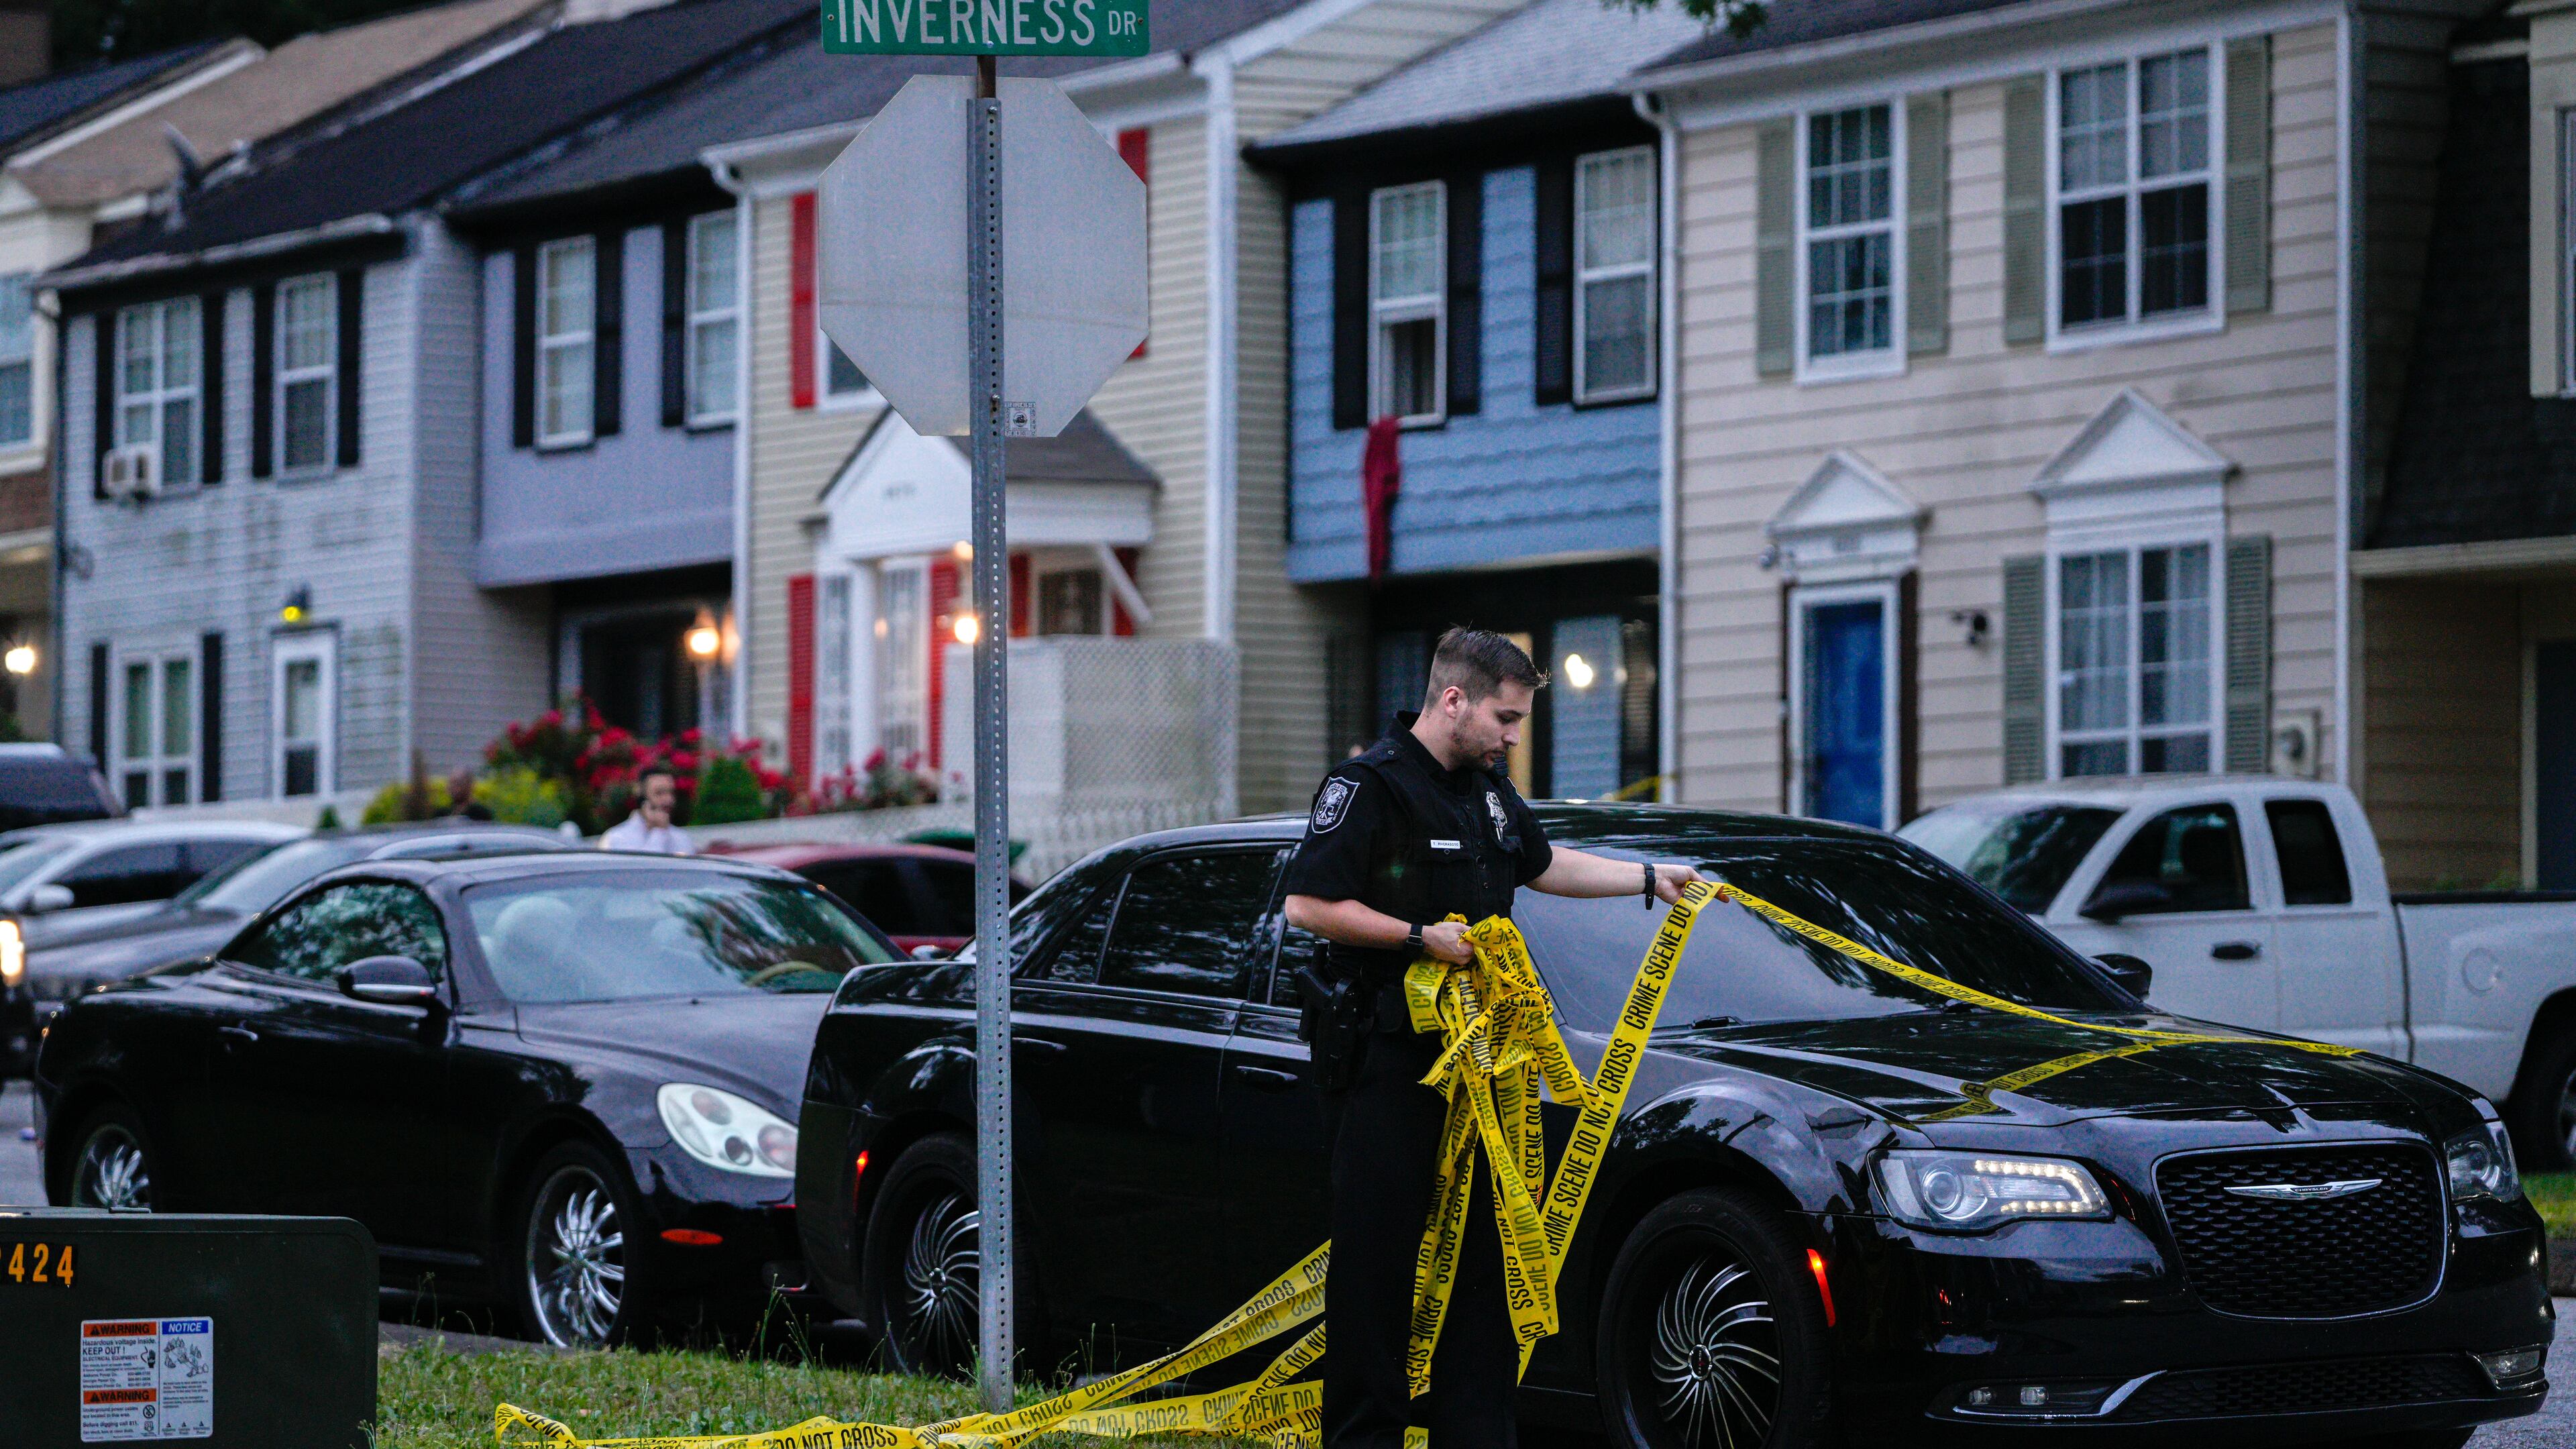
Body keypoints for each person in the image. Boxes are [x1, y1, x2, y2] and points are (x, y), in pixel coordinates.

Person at [1282, 627, 1703, 1449]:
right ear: (1453, 700)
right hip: (1387, 1059)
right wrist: (1417, 938)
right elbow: (1308, 905)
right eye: (1505, 718)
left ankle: (1479, 1433)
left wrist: (1649, 879)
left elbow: (1542, 864)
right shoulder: (1370, 787)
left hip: (1485, 1064)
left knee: (1488, 1261)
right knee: (1379, 1265)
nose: (1514, 736)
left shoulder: (1488, 788)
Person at [599, 766, 694, 855]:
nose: (668, 800)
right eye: (659, 793)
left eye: (671, 793)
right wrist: (659, 831)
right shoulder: (616, 838)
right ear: (642, 796)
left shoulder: (682, 838)